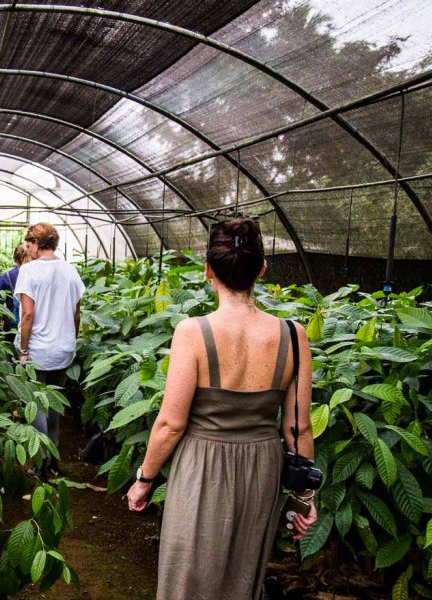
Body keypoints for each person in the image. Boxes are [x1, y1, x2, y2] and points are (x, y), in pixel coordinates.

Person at [126, 217, 318, 600]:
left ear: (207, 270)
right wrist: (304, 500)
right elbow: (299, 428)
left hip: (203, 466)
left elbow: (170, 424)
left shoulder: (193, 332)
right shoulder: (294, 336)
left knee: (188, 576)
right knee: (242, 576)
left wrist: (144, 480)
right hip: (262, 469)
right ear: (261, 268)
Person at [14, 223, 85, 461]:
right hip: (63, 349)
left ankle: (41, 459)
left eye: (29, 244)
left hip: (37, 351)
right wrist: (69, 340)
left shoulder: (29, 271)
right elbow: (77, 314)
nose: (28, 249)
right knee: (54, 402)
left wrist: (23, 350)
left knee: (36, 404)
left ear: (36, 244)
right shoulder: (70, 270)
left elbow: (28, 315)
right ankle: (53, 453)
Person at [0, 244, 28, 337]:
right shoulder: (37, 275)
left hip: (12, 326)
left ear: (15, 260)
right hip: (33, 325)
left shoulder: (6, 276)